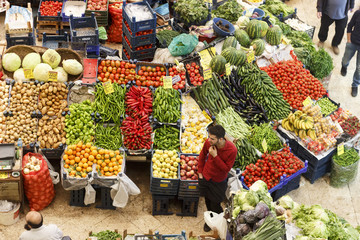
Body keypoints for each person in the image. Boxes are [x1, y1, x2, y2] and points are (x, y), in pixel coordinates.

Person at [198, 125, 237, 232]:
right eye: (209, 137)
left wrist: (215, 156)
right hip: (206, 177)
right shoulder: (208, 142)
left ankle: (221, 223)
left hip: (218, 182)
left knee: (216, 204)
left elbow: (226, 169)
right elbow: (202, 155)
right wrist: (200, 172)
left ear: (221, 139)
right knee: (207, 201)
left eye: (212, 138)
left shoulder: (232, 150)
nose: (209, 140)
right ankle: (209, 221)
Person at [341, 9, 360, 97]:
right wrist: (348, 40)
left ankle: (355, 85)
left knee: (359, 69)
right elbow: (350, 26)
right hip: (352, 42)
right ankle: (344, 66)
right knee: (345, 60)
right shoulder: (358, 13)